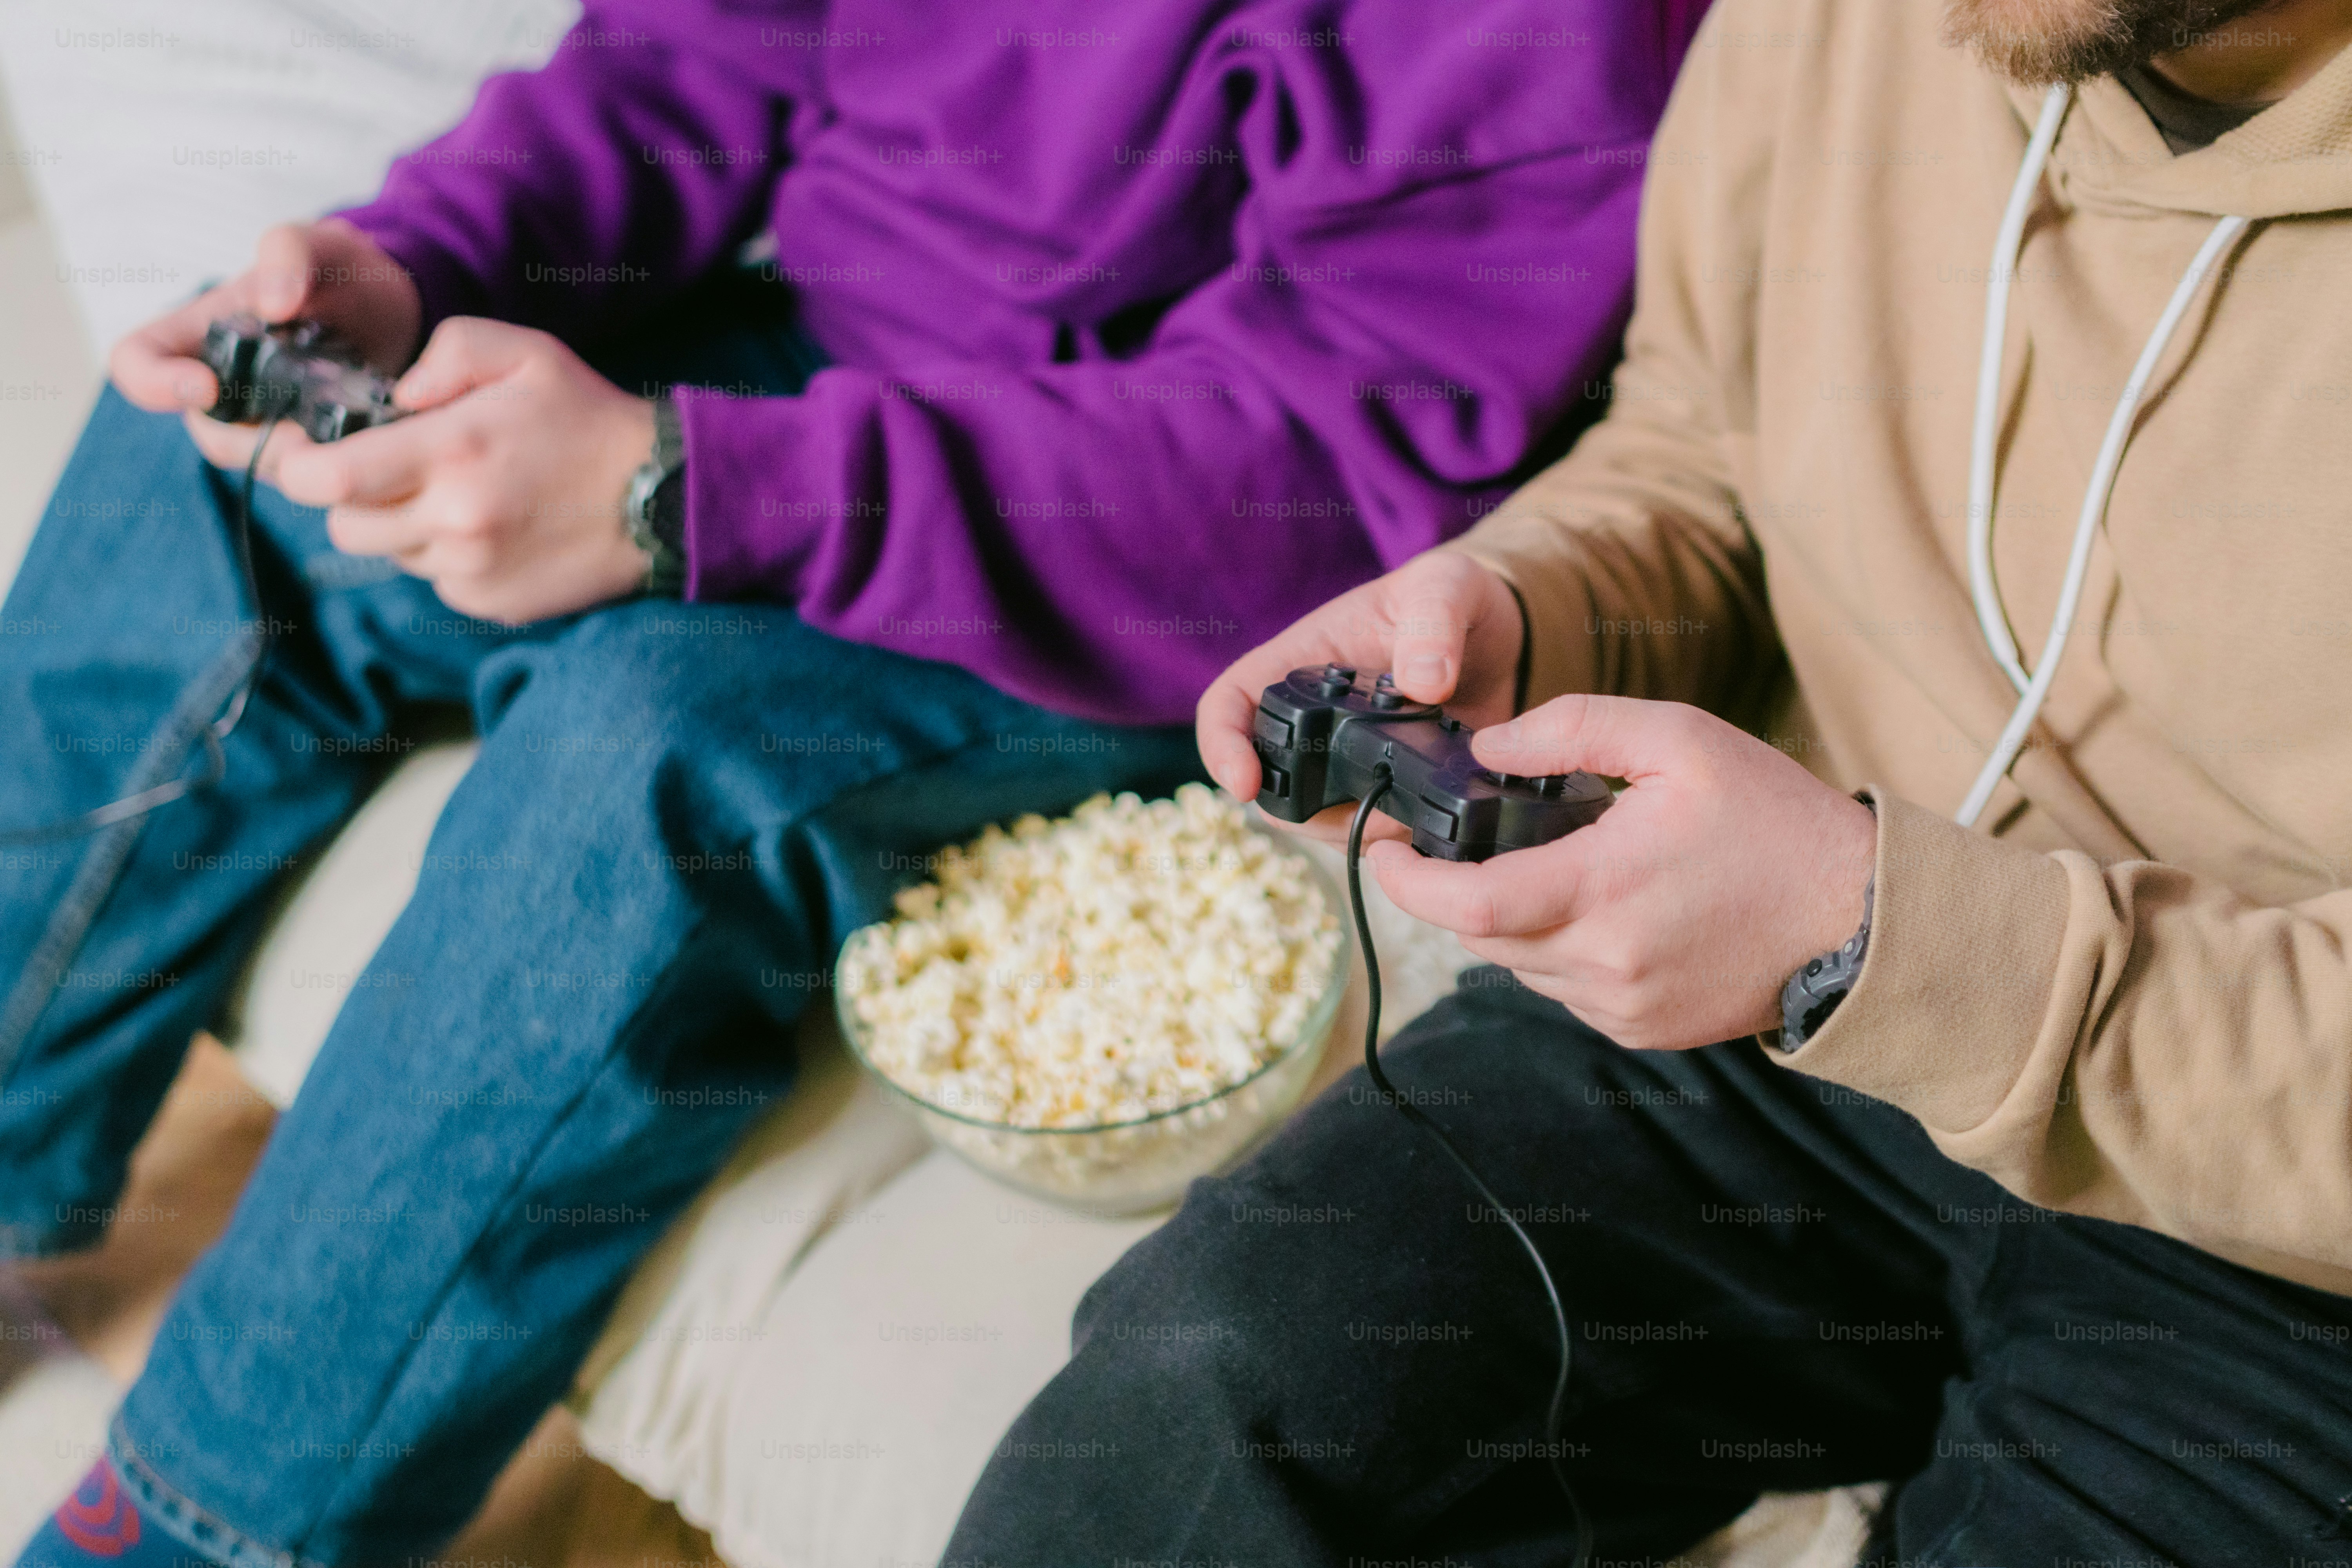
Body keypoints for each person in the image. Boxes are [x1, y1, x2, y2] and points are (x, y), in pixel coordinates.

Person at [0, 1, 1711, 1563]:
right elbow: (704, 51)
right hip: (811, 373)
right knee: (197, 462)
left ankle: (198, 1527)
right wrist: (423, 259)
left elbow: (1314, 472)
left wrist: (686, 492)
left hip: (1150, 570)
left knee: (649, 741)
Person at [946, 0, 2352, 1561]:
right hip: (1790, 1010)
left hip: (2285, 1251)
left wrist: (1888, 934)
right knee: (1182, 1419)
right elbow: (1694, 441)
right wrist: (1526, 604)